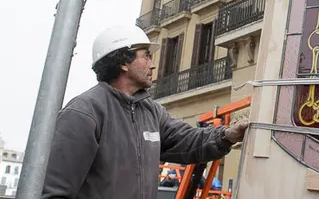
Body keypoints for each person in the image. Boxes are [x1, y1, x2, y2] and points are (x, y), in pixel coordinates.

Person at [42, 25, 249, 199]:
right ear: (123, 62)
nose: (152, 64)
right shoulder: (84, 114)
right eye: (146, 56)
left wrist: (226, 135)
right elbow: (55, 192)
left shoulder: (151, 111)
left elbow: (186, 139)